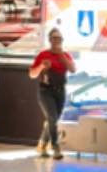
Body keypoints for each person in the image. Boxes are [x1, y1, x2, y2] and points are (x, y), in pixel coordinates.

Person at [28, 27, 75, 159]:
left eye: (59, 38)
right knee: (52, 118)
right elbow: (32, 74)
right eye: (54, 38)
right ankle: (55, 147)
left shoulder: (65, 55)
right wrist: (42, 66)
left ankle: (42, 145)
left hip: (60, 91)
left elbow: (72, 69)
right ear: (50, 40)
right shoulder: (43, 55)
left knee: (52, 120)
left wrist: (61, 55)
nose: (57, 40)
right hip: (46, 90)